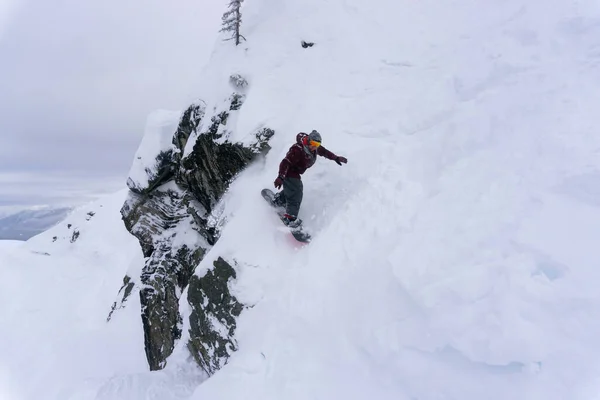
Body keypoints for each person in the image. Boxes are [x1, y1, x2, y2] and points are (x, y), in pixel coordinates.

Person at [273, 130, 348, 227]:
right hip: (289, 171)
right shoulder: (298, 149)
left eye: (317, 144)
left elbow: (324, 152)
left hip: (296, 172)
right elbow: (285, 162)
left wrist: (336, 158)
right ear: (308, 141)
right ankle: (290, 218)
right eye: (313, 143)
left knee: (293, 188)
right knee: (297, 191)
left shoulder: (314, 149)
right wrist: (280, 177)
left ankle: (279, 200)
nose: (314, 147)